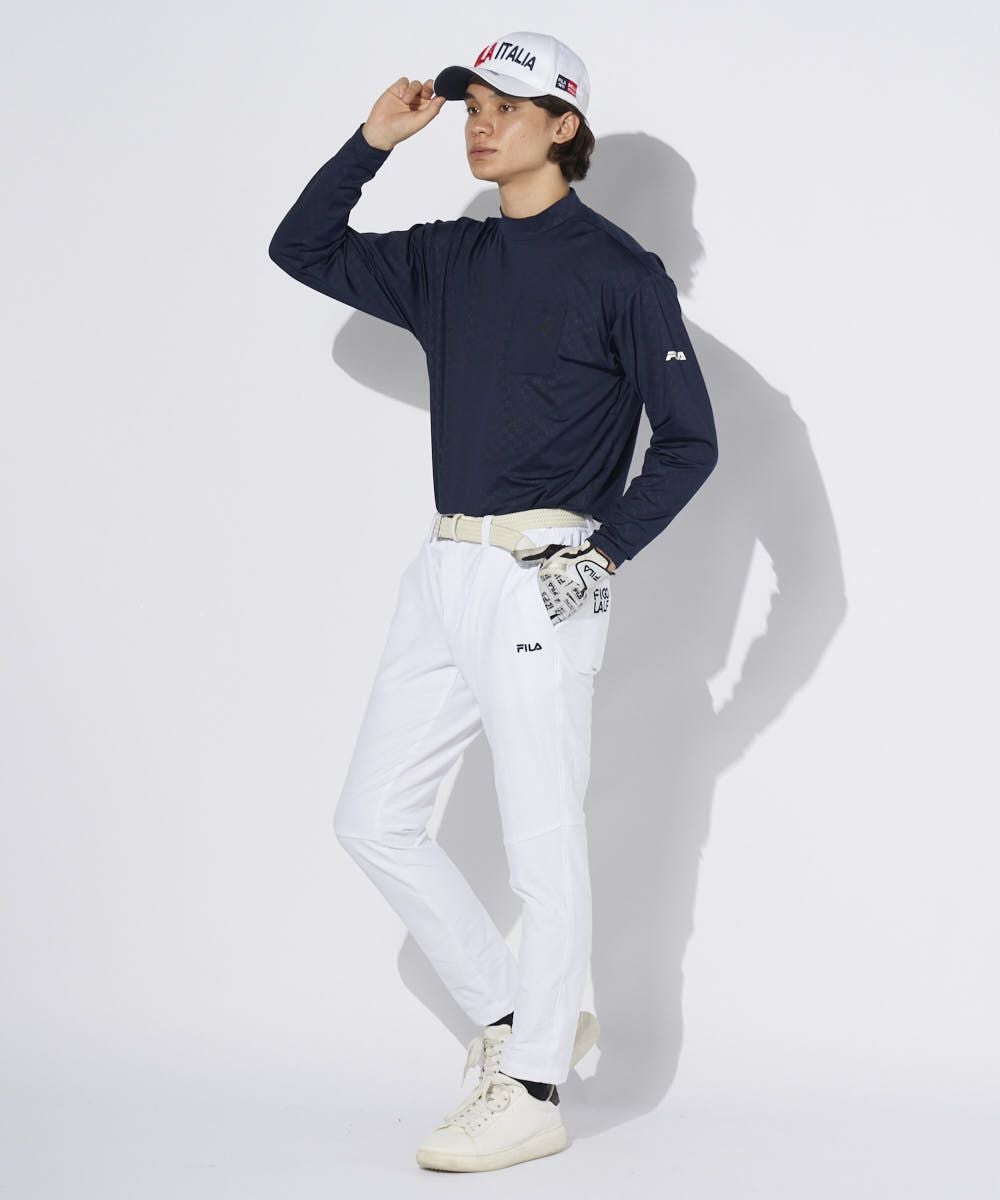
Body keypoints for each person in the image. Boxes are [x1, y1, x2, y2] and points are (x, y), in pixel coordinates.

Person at [268, 30, 718, 1173]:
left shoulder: (620, 273)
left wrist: (602, 556)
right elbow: (300, 246)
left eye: (505, 108)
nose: (478, 124)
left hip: (542, 576)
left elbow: (691, 443)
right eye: (472, 106)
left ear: (564, 126)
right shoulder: (448, 259)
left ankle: (533, 1091)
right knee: (372, 818)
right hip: (442, 570)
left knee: (541, 838)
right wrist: (372, 143)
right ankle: (523, 1018)